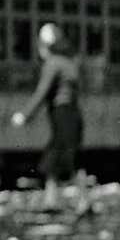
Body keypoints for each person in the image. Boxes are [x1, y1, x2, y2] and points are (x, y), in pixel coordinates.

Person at [12, 22, 84, 213]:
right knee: (64, 159)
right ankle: (54, 201)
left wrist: (25, 115)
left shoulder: (53, 64)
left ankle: (65, 201)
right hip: (73, 115)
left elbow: (42, 92)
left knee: (56, 158)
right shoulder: (70, 62)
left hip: (61, 114)